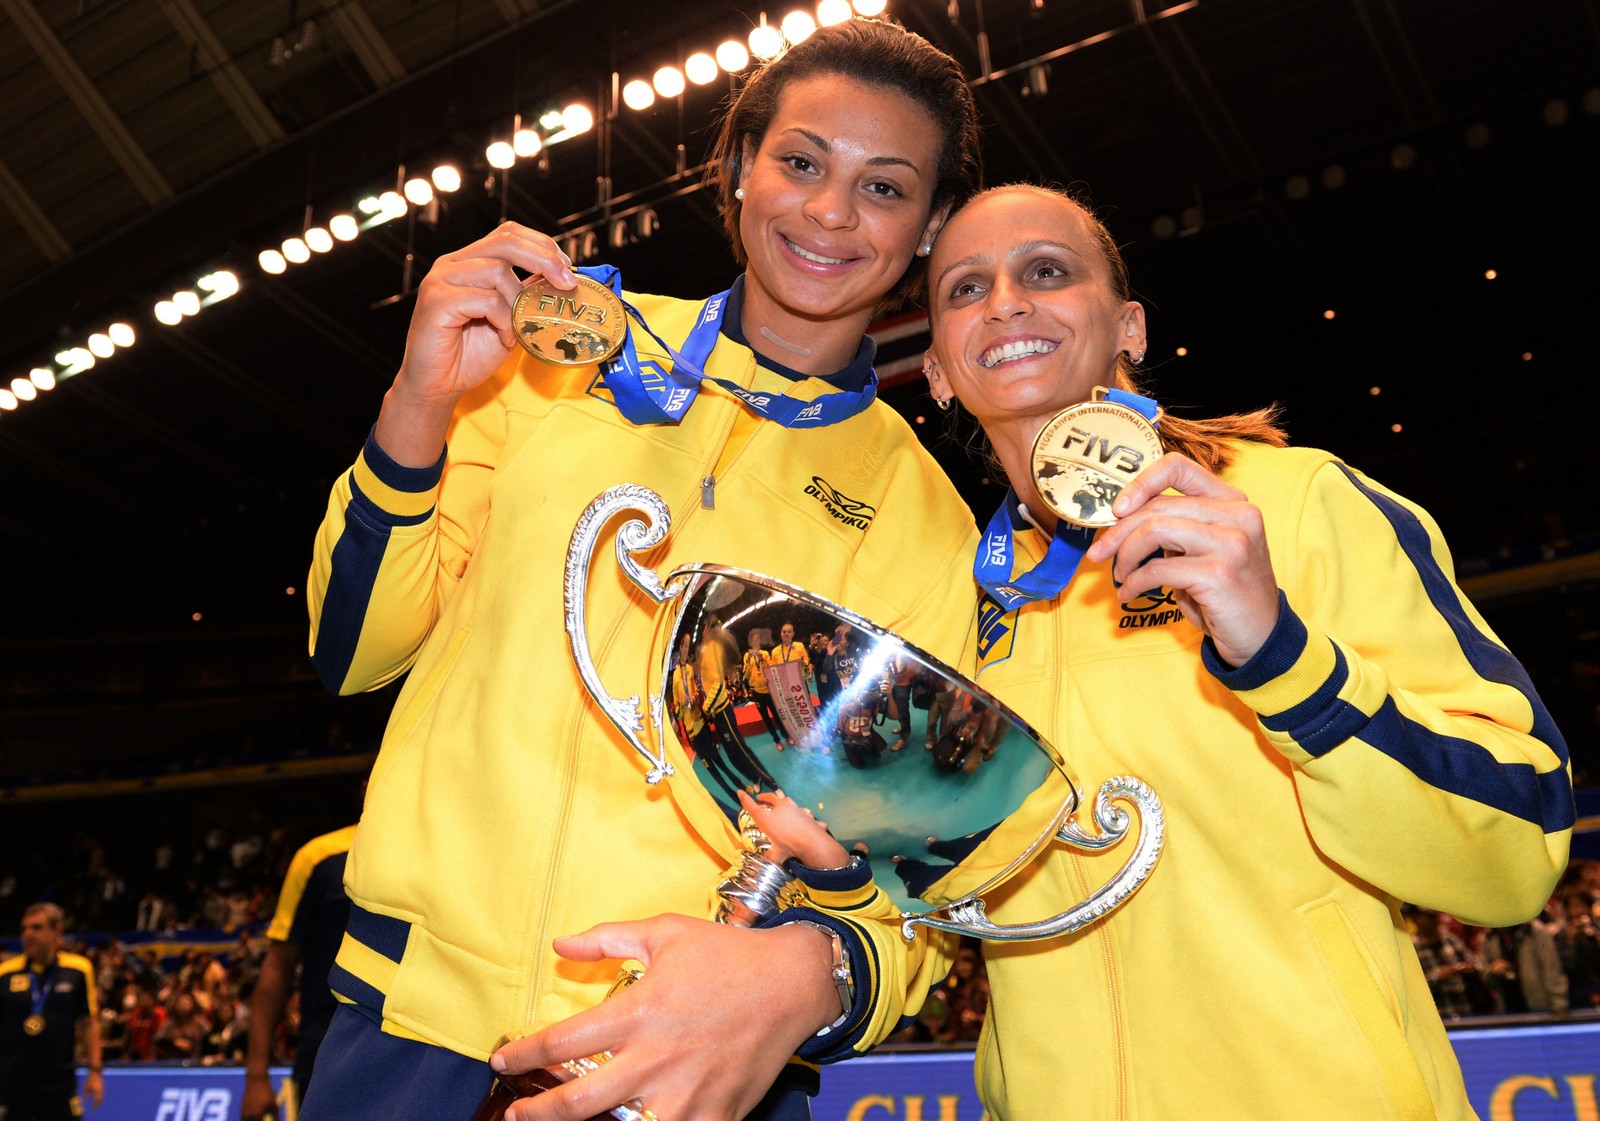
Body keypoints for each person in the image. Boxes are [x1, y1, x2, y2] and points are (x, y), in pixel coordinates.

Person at [303, 18, 982, 1121]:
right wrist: (419, 403)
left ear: (929, 225)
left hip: (689, 1065)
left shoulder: (924, 522)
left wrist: (814, 972)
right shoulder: (552, 362)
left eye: (885, 187)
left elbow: (918, 871)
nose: (828, 211)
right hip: (410, 1032)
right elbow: (352, 649)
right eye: (799, 162)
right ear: (737, 168)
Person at [899, 182, 1574, 1118]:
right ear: (937, 368)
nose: (1006, 301)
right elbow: (933, 899)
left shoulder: (1295, 504)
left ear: (1129, 327)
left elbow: (1520, 838)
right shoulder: (954, 601)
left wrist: (1283, 655)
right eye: (964, 289)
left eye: (1046, 271)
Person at [241, 824, 356, 1120]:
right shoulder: (319, 857)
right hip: (325, 1056)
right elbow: (278, 966)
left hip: (419, 1055)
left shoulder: (444, 849)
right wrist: (256, 1077)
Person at [0, 903, 103, 1121]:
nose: (28, 934)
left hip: (59, 1086)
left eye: (37, 928)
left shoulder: (79, 970)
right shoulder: (5, 973)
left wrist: (95, 1071)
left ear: (57, 931)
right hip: (10, 1086)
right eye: (24, 929)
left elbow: (89, 1022)